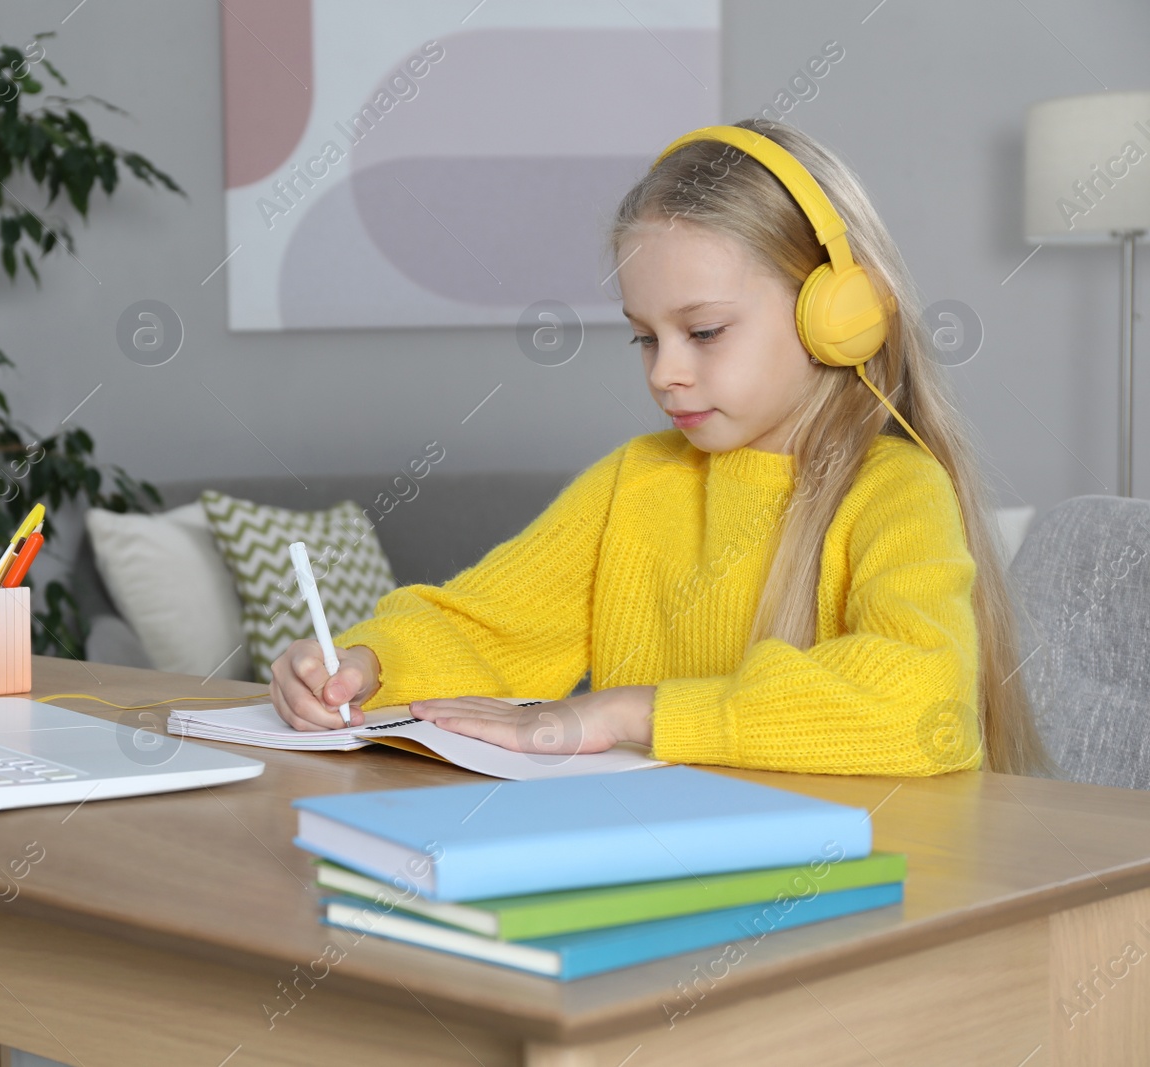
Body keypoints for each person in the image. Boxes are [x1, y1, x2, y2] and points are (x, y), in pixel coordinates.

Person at [269, 117, 1051, 777]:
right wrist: (368, 663)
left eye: (703, 331)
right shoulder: (634, 484)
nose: (667, 373)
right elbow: (488, 627)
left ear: (835, 316)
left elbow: (922, 697)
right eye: (645, 337)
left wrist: (627, 712)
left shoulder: (894, 491)